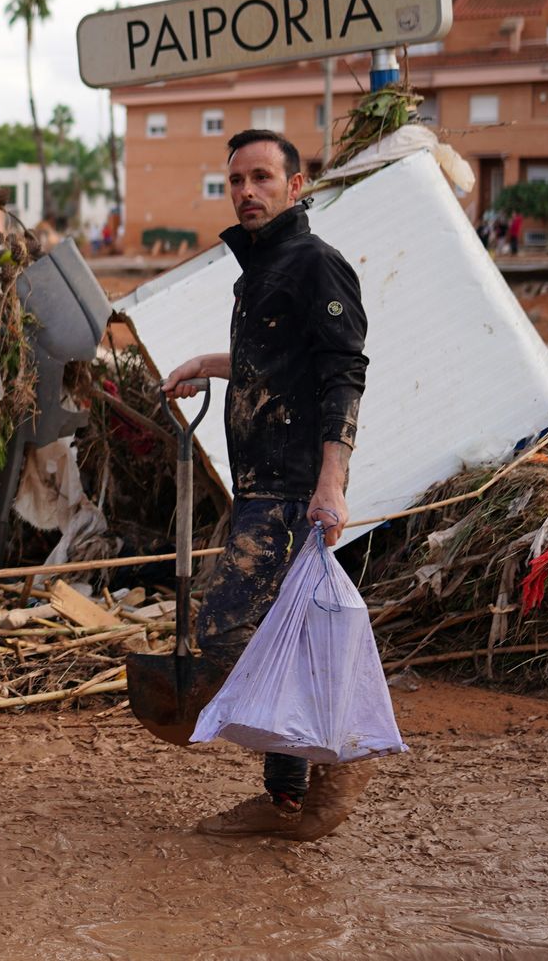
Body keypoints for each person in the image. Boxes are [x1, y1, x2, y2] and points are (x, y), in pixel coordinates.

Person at [161, 129, 375, 842]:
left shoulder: (315, 263)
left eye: (261, 177)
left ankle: (339, 767)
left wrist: (331, 483)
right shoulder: (259, 270)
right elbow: (277, 363)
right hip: (263, 484)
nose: (247, 192)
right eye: (236, 181)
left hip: (291, 489)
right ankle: (288, 799)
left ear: (296, 184)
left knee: (228, 629)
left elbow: (341, 372)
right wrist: (208, 361)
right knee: (288, 632)